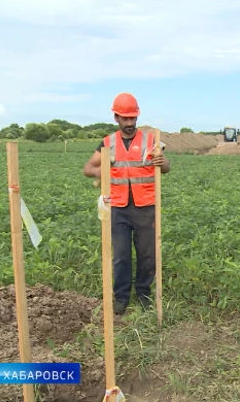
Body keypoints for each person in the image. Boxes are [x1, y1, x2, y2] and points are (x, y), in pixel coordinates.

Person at [83, 92, 171, 315]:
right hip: (118, 208)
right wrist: (105, 170)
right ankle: (121, 297)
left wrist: (163, 162)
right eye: (125, 118)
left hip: (145, 206)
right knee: (121, 255)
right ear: (116, 118)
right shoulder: (107, 143)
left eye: (133, 118)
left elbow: (166, 167)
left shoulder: (151, 141)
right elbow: (88, 169)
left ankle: (143, 294)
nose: (130, 123)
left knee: (147, 254)